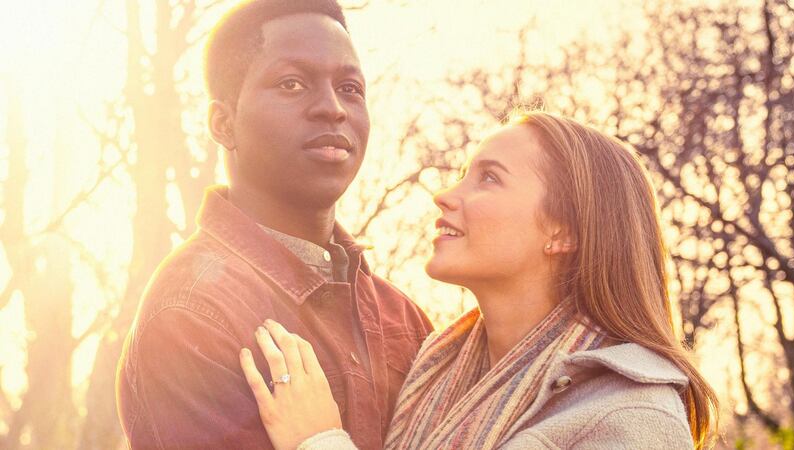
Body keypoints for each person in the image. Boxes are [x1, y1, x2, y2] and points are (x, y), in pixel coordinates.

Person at [239, 111, 719, 449]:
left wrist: (318, 441)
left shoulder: (633, 418)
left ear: (564, 231)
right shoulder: (431, 371)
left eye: (488, 178)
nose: (445, 195)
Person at [115, 1, 432, 449]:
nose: (333, 109)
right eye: (292, 84)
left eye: (350, 87)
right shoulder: (192, 311)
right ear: (223, 123)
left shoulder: (405, 319)